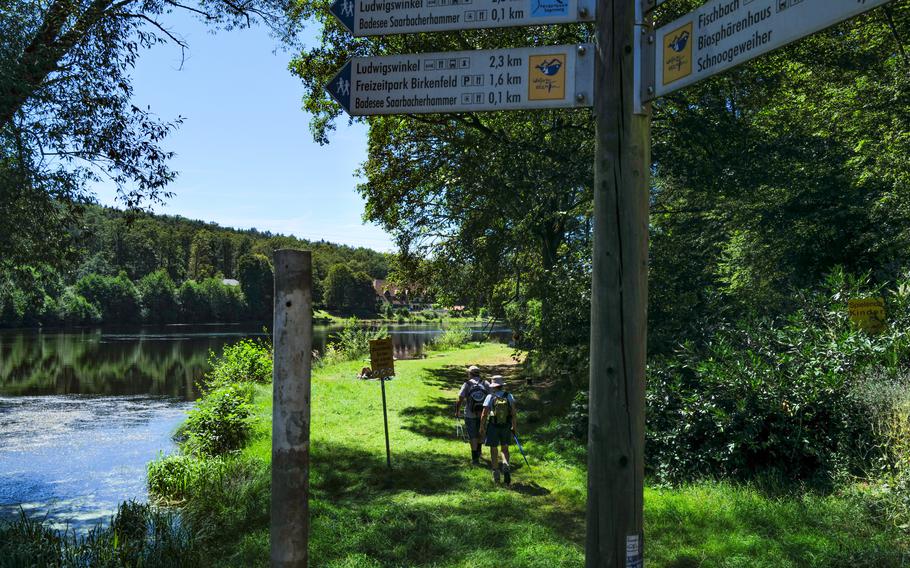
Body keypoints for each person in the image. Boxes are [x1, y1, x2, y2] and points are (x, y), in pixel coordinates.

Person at [479, 376, 517, 484]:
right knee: (505, 449)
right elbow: (513, 413)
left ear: (493, 386)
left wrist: (481, 427)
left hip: (493, 426)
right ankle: (506, 464)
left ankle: (496, 473)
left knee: (493, 449)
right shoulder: (509, 396)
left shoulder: (490, 396)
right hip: (506, 426)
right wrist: (514, 427)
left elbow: (484, 414)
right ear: (502, 385)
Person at [455, 365, 490, 465]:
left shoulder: (467, 384)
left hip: (470, 414)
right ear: (479, 373)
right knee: (481, 431)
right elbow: (492, 397)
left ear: (470, 373)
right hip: (483, 413)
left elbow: (460, 398)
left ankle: (475, 458)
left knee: (472, 435)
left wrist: (457, 411)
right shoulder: (485, 383)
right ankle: (479, 451)